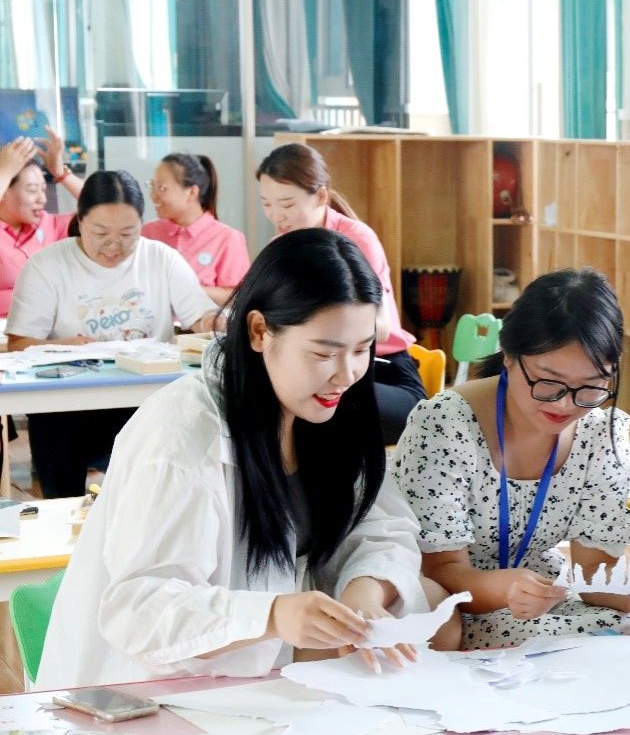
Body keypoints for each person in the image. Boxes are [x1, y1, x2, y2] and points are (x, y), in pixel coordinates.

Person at [36, 227, 456, 693]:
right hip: (154, 685)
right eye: (324, 353)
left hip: (259, 667)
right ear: (259, 331)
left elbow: (380, 526)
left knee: (432, 608)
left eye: (362, 350)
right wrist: (272, 615)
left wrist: (366, 591)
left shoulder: (328, 406)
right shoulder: (183, 433)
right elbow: (141, 609)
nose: (347, 374)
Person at [390, 267, 630, 735]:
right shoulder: (446, 423)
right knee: (532, 658)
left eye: (591, 387)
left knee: (629, 648)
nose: (567, 405)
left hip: (540, 595)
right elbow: (439, 568)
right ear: (510, 356)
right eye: (548, 384)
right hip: (450, 600)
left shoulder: (601, 432)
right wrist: (506, 588)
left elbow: (593, 568)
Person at [7, 169, 219, 498]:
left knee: (158, 489)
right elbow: (18, 344)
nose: (113, 246)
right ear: (80, 221)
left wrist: (222, 321)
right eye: (100, 232)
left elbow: (202, 316)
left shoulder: (160, 258)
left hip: (146, 402)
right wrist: (66, 346)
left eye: (127, 234)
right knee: (62, 485)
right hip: (67, 408)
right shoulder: (48, 265)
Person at [257, 142, 423, 445]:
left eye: (287, 204)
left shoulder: (355, 239)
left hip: (383, 372)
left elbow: (381, 328)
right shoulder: (280, 247)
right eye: (267, 204)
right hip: (323, 371)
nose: (276, 216)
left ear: (321, 196)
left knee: (309, 404)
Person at [142, 151, 250, 305]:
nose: (153, 195)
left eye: (162, 188)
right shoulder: (146, 233)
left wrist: (189, 289)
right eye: (152, 186)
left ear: (192, 192)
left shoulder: (227, 238)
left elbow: (237, 297)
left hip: (203, 321)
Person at [0, 128, 83, 316]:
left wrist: (61, 174)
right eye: (32, 190)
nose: (42, 199)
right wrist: (4, 173)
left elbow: (108, 208)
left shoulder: (50, 225)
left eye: (43, 189)